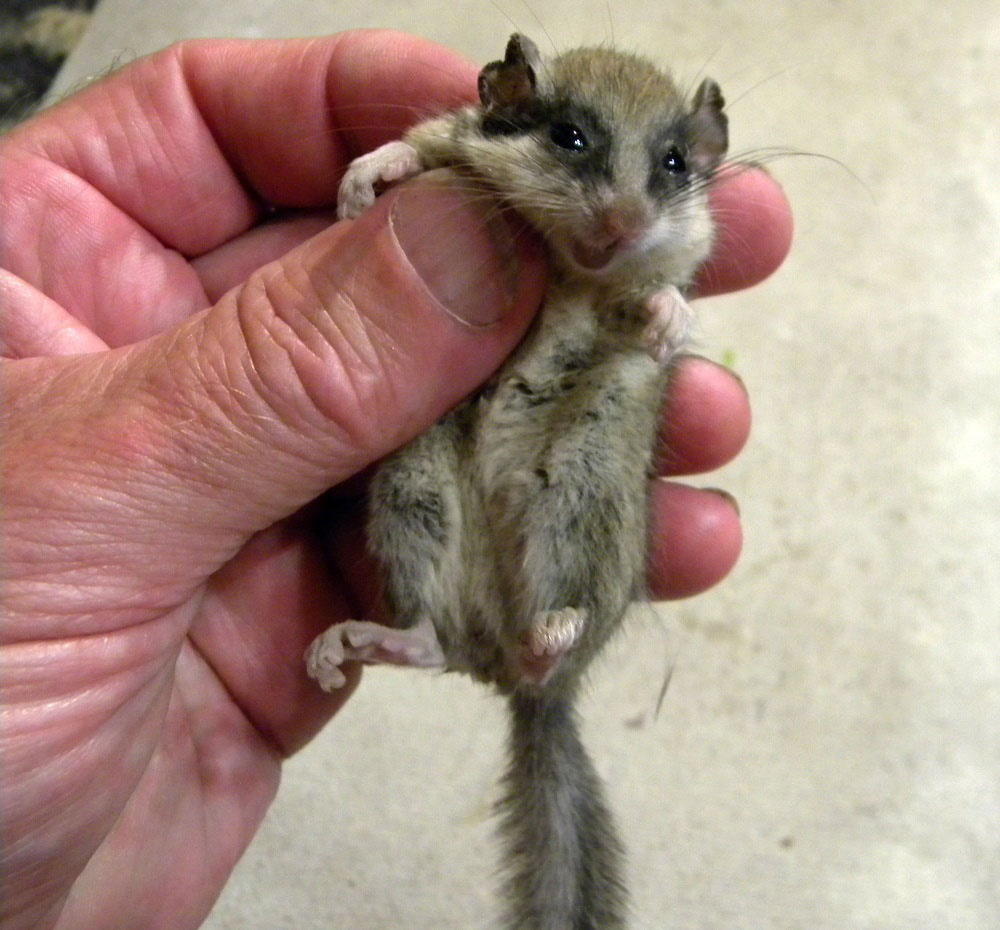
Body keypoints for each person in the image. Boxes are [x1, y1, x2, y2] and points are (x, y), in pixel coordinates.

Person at [0, 30, 793, 930]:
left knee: (592, 468)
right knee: (411, 485)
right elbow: (442, 142)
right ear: (508, 98)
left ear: (703, 157)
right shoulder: (472, 150)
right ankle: (428, 624)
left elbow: (667, 260)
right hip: (457, 431)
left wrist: (662, 300)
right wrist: (397, 158)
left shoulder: (665, 244)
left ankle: (555, 623)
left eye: (672, 166)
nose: (620, 213)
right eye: (573, 145)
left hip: (570, 411)